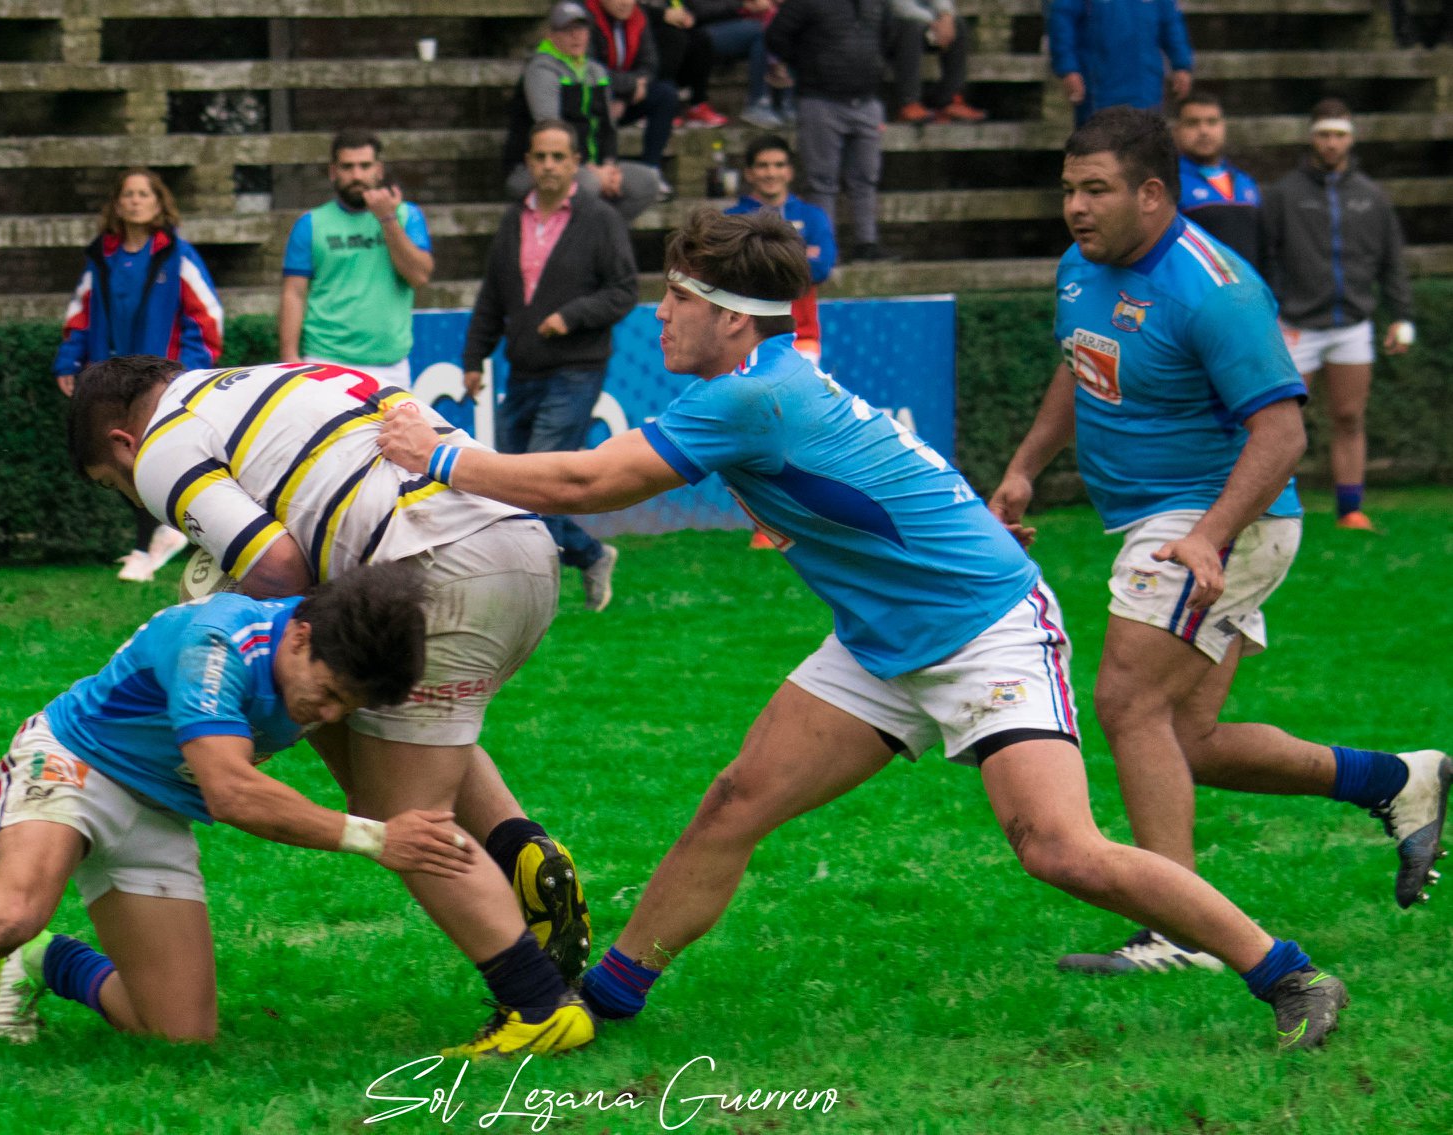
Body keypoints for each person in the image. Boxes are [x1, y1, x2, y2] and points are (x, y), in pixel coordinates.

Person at [378, 207, 1353, 1051]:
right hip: (883, 640)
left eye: (674, 297)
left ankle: (1289, 974)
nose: (659, 313)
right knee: (734, 802)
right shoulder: (748, 380)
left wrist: (444, 454)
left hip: (984, 630)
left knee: (1059, 849)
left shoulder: (751, 395)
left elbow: (592, 481)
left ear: (726, 316)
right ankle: (608, 1000)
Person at [988, 108, 1448, 977]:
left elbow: (1281, 435)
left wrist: (1207, 536)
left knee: (1127, 702)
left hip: (1220, 518)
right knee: (1185, 738)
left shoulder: (1218, 289)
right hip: (1171, 519)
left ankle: (1177, 933)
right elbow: (1077, 363)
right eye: (1068, 191)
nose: (1076, 209)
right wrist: (1023, 468)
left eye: (1097, 191)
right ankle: (1396, 780)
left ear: (1153, 193)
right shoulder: (1082, 267)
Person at [0, 565, 483, 1098]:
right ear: (300, 634)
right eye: (325, 693)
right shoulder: (217, 641)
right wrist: (375, 837)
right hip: (72, 760)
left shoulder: (325, 656)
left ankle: (46, 963)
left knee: (180, 1032)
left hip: (160, 804)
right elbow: (230, 789)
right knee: (9, 911)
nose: (325, 715)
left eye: (344, 705)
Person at [65, 354, 596, 1057]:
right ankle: (518, 848)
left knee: (404, 819)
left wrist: (224, 623)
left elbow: (282, 570)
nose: (138, 497)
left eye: (118, 485)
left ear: (121, 443)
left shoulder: (163, 444)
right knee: (400, 739)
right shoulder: (280, 374)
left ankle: (539, 1007)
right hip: (522, 548)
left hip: (436, 564)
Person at [467, 121, 635, 611]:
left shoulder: (601, 219)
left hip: (576, 368)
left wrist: (571, 316)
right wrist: (474, 357)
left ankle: (535, 587)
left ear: (576, 163)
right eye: (540, 156)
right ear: (528, 162)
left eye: (558, 157)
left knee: (539, 486)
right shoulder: (511, 220)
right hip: (522, 368)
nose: (548, 166)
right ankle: (589, 556)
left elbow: (624, 290)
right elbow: (494, 296)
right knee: (506, 489)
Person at [54, 168, 221, 583]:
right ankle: (155, 539)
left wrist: (187, 373)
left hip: (159, 379)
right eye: (127, 194)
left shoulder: (177, 255)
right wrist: (69, 361)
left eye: (143, 194)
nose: (135, 201)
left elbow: (207, 315)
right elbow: (80, 314)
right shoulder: (102, 257)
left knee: (149, 455)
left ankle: (150, 545)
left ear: (159, 202)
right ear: (116, 204)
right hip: (108, 376)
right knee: (116, 455)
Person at [1261, 99, 1415, 533]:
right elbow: (1265, 257)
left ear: (1352, 138)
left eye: (1340, 134)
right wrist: (1270, 311)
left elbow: (1393, 263)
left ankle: (1350, 509)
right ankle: (1272, 508)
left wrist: (1402, 318)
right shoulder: (1283, 195)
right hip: (1294, 323)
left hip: (1353, 325)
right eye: (1325, 134)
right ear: (1312, 136)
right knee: (1282, 421)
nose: (1332, 143)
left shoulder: (1371, 196)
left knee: (1349, 416)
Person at [278, 131, 434, 387]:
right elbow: (293, 293)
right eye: (347, 167)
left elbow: (419, 276)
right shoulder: (310, 224)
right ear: (333, 172)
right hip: (325, 362)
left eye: (365, 166)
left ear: (379, 170)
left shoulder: (407, 216)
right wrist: (289, 359)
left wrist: (387, 219)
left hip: (390, 366)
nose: (357, 176)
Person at [506, 2, 663, 222]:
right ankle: (573, 242)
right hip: (541, 167)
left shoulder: (596, 71)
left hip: (592, 166)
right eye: (567, 30)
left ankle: (600, 237)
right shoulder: (541, 70)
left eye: (581, 30)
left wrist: (609, 166)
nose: (576, 36)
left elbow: (608, 128)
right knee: (588, 183)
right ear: (551, 35)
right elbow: (552, 134)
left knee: (647, 182)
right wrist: (591, 170)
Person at [767, 0, 892, 261]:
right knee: (822, 180)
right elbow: (776, 35)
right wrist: (807, 63)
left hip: (867, 100)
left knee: (867, 177)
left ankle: (867, 244)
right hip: (820, 100)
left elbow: (887, 35)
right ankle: (825, 248)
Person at [725, 133, 835, 363]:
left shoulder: (812, 216)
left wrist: (756, 259)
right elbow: (729, 273)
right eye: (763, 166)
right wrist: (796, 257)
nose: (771, 173)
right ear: (749, 173)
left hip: (801, 338)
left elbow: (821, 268)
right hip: (744, 340)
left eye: (778, 165)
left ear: (790, 172)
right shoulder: (732, 219)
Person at [585, 0, 680, 195]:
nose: (625, 3)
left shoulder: (639, 17)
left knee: (666, 94)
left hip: (626, 98)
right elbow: (589, 69)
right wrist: (625, 88)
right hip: (593, 98)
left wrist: (625, 97)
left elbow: (650, 65)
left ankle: (651, 169)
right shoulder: (586, 17)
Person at [1048, 0, 1193, 125]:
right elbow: (1062, 22)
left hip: (1145, 84)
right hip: (1099, 85)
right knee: (1098, 142)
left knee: (1146, 138)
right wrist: (1068, 69)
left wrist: (1181, 65)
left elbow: (1172, 23)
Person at [1173, 91, 1262, 269]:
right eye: (1193, 123)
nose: (1204, 131)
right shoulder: (1170, 184)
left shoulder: (1247, 183)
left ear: (1223, 127)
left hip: (1246, 291)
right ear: (1176, 131)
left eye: (1212, 122)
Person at [887, 0, 986, 124]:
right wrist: (933, 22)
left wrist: (946, 15)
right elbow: (897, 7)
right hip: (890, 24)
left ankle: (949, 100)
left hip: (922, 21)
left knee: (957, 25)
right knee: (911, 28)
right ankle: (909, 103)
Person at [689, 0, 780, 127]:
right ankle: (758, 102)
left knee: (784, 26)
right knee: (761, 31)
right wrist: (743, 5)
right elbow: (698, 10)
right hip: (701, 32)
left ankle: (784, 102)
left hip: (741, 24)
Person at [643, 0, 728, 128]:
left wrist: (685, 15)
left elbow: (677, 4)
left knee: (701, 38)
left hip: (666, 21)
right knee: (672, 38)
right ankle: (659, 105)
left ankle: (697, 105)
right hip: (642, 25)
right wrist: (662, 14)